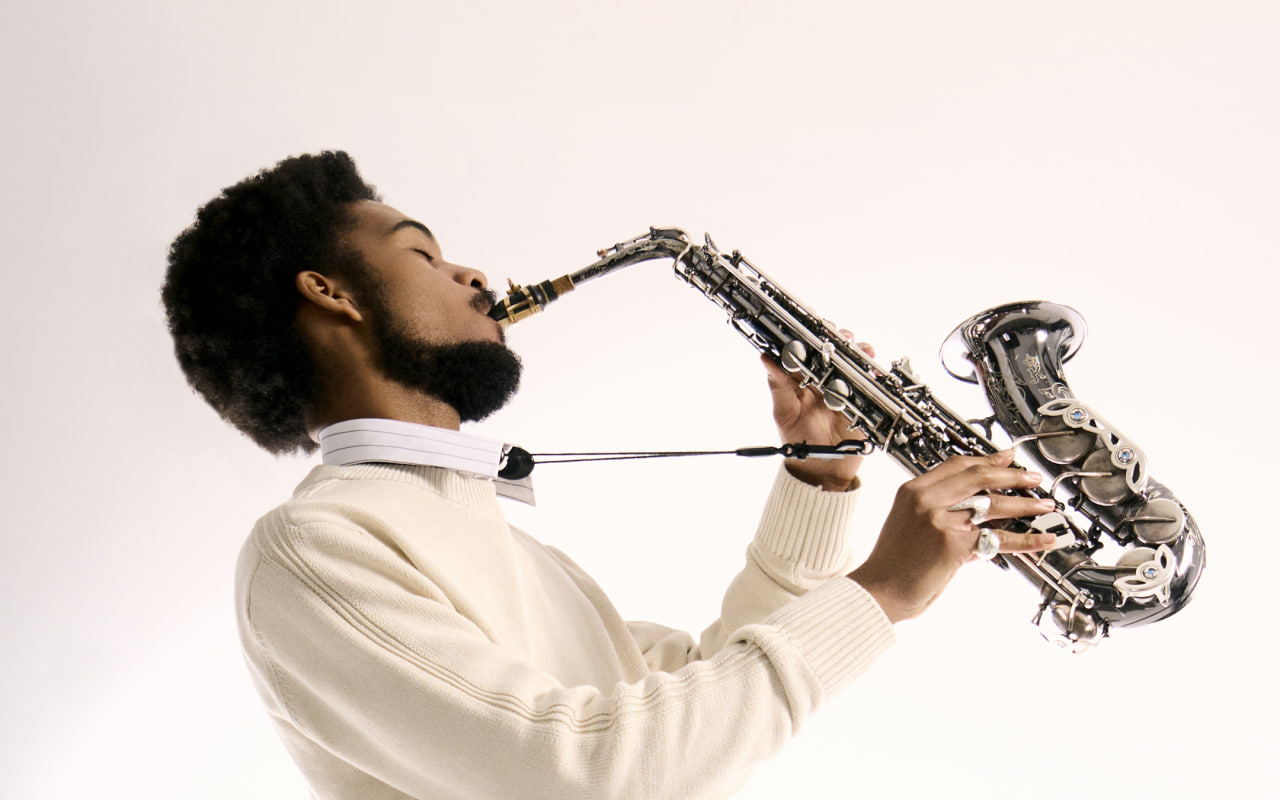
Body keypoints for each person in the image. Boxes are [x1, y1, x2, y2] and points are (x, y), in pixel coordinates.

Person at [161, 150, 1056, 799]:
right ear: (332, 293)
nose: (473, 273)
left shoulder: (501, 545)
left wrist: (818, 480)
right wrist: (883, 590)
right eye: (424, 256)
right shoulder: (315, 548)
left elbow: (696, 707)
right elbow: (594, 775)